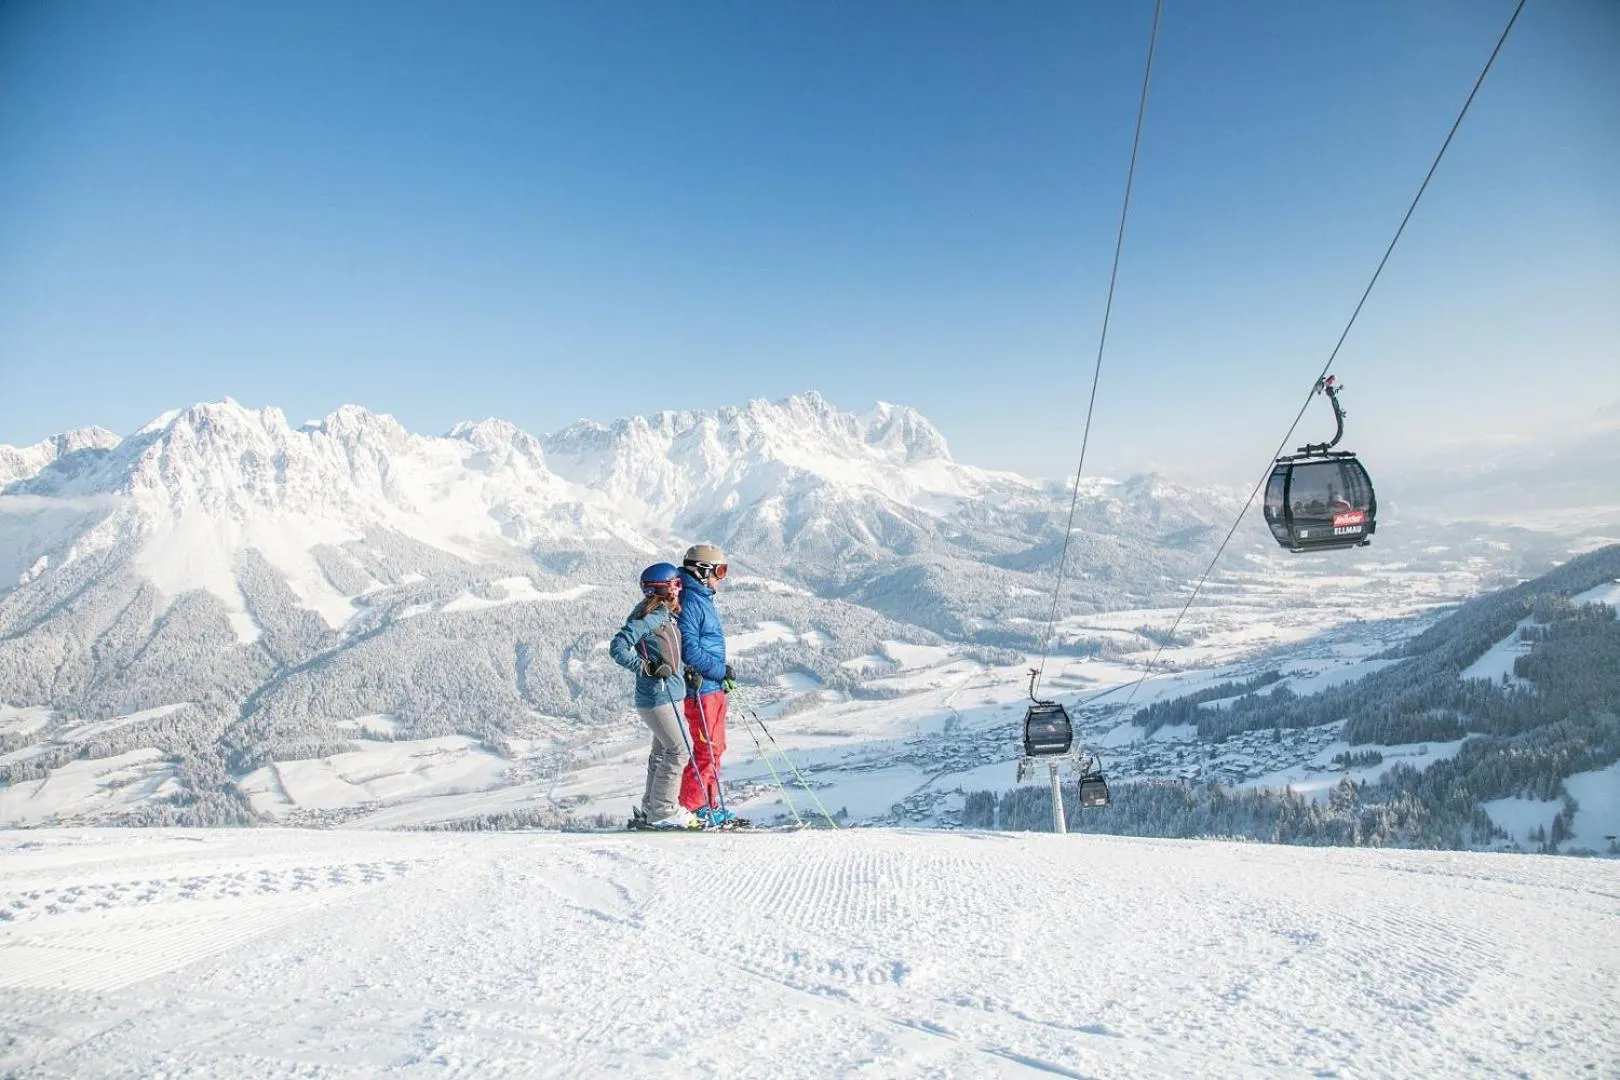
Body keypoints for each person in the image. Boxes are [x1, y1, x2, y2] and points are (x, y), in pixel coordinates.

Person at [609, 562, 698, 830]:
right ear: (664, 589)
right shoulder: (650, 617)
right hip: (657, 698)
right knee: (680, 749)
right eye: (675, 584)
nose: (679, 588)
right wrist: (645, 668)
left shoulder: (664, 614)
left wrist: (686, 672)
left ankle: (651, 808)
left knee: (661, 752)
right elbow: (618, 647)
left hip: (668, 694)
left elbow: (663, 654)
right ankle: (663, 811)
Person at [674, 543, 738, 827]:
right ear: (702, 571)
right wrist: (719, 670)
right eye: (719, 572)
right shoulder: (691, 601)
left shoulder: (702, 598)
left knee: (716, 749)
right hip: (701, 689)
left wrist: (721, 675)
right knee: (707, 750)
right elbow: (689, 650)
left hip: (713, 688)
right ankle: (689, 809)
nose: (720, 578)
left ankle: (707, 806)